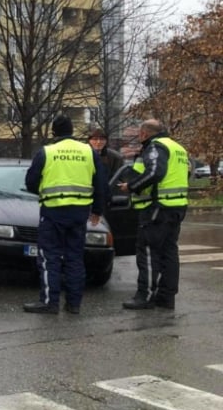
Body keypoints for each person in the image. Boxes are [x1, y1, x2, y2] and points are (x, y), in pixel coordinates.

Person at [23, 115, 106, 314]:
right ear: (72, 131)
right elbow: (101, 183)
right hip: (79, 214)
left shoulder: (47, 152)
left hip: (53, 213)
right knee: (74, 258)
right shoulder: (88, 152)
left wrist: (43, 190)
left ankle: (49, 302)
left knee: (49, 257)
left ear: (53, 133)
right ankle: (74, 304)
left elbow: (31, 182)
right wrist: (97, 210)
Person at [119, 119, 189, 310]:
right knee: (169, 252)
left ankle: (146, 296)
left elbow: (155, 173)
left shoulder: (155, 146)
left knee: (148, 252)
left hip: (157, 208)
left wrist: (132, 186)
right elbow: (186, 174)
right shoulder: (178, 148)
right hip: (177, 206)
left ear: (144, 133)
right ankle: (166, 297)